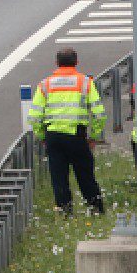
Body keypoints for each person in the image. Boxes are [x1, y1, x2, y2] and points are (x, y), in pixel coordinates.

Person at [27, 47, 106, 214]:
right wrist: (93, 136)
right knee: (85, 174)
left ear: (56, 63)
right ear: (77, 62)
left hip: (53, 136)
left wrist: (42, 136)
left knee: (58, 176)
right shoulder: (85, 82)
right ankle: (96, 208)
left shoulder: (45, 84)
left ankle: (65, 211)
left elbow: (34, 117)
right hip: (76, 135)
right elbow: (99, 114)